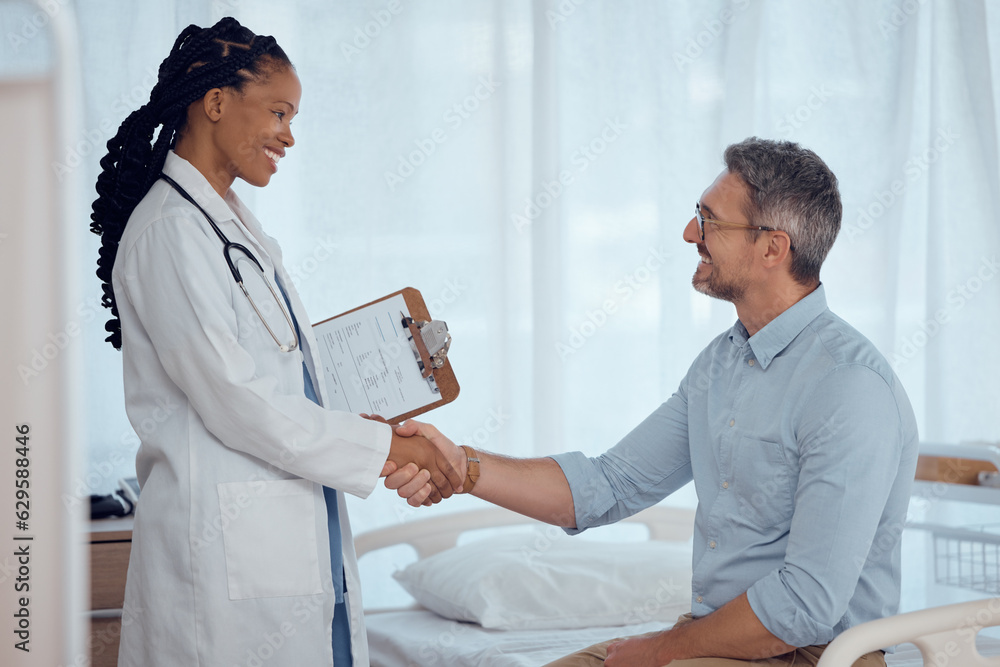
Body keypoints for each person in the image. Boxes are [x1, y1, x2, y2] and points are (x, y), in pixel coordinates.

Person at [386, 137, 919, 667]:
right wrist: (462, 465)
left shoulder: (847, 387)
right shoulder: (723, 364)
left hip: (813, 655)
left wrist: (660, 650)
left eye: (709, 219)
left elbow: (805, 604)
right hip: (716, 640)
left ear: (772, 249)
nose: (691, 233)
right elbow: (607, 486)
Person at [89, 18, 461, 667]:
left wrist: (378, 406)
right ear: (216, 103)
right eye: (279, 112)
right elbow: (239, 401)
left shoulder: (232, 227)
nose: (290, 135)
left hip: (288, 539)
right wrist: (387, 450)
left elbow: (281, 379)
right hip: (223, 566)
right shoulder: (170, 231)